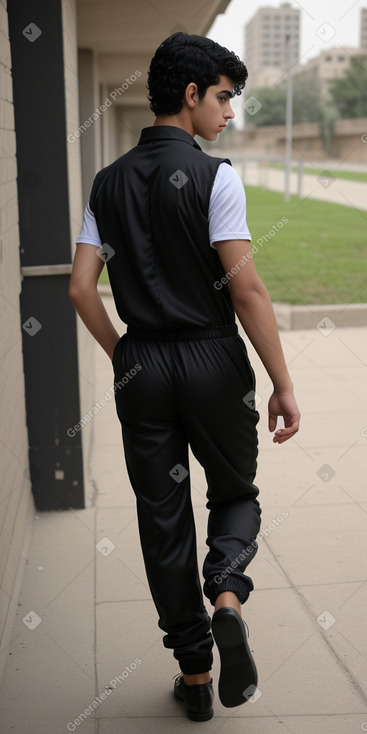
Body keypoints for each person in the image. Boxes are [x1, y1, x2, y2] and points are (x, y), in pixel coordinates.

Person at [69, 32, 300, 722]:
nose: (230, 113)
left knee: (160, 519)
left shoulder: (105, 183)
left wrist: (123, 355)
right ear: (191, 94)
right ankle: (226, 589)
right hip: (210, 358)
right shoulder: (215, 175)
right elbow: (246, 289)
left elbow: (81, 290)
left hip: (141, 362)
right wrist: (282, 382)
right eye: (225, 97)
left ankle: (194, 674)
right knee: (232, 493)